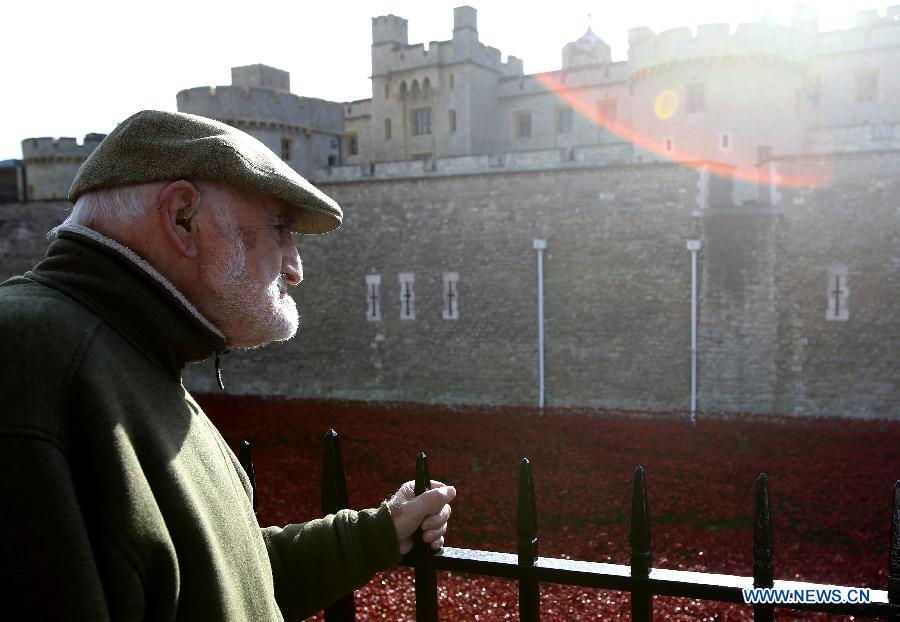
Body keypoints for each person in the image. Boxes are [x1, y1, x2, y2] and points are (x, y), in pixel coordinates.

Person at [0, 110, 456, 620]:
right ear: (182, 218)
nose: (294, 267)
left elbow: (222, 581)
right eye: (279, 228)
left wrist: (375, 535)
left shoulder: (130, 357)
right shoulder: (29, 363)